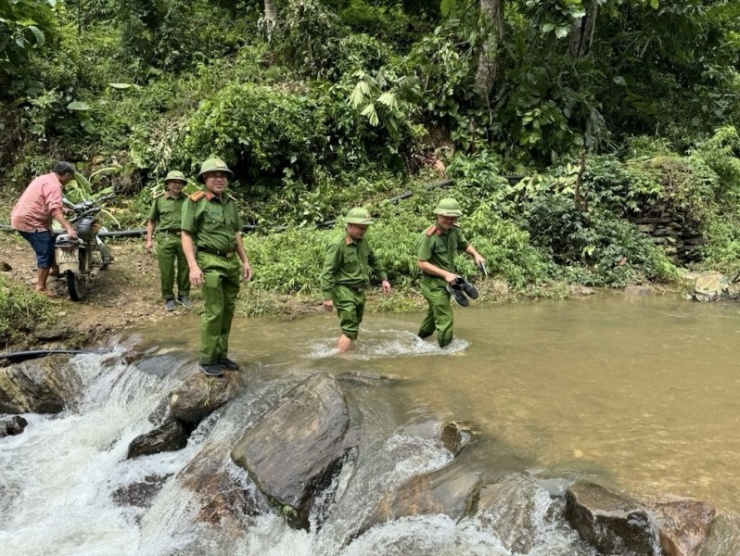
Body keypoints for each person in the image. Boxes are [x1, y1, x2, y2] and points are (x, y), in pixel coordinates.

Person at [181, 158, 252, 376]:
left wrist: (245, 260)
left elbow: (236, 233)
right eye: (214, 175)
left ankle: (221, 355)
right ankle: (208, 359)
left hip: (230, 263)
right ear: (205, 178)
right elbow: (186, 234)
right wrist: (193, 266)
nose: (219, 179)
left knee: (228, 311)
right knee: (214, 311)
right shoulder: (195, 202)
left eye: (223, 176)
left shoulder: (230, 203)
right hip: (210, 262)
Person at [320, 207, 392, 352]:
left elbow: (373, 259)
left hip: (358, 291)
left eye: (366, 228)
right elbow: (327, 272)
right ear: (350, 224)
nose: (363, 231)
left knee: (353, 326)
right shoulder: (337, 245)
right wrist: (327, 297)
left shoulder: (363, 241)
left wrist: (383, 278)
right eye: (361, 228)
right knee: (350, 329)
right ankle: (343, 361)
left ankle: (338, 350)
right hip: (343, 291)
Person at [416, 198, 485, 348]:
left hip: (448, 282)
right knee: (445, 316)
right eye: (446, 217)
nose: (449, 220)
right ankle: (445, 350)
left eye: (453, 217)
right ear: (438, 215)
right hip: (432, 285)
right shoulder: (428, 236)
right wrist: (445, 274)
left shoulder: (454, 231)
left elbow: (464, 244)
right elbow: (421, 263)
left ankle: (419, 339)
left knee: (434, 314)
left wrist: (475, 255)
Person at [10, 161, 79, 297]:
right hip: (31, 222)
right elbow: (54, 211)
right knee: (45, 251)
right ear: (65, 174)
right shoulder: (54, 186)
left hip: (21, 216)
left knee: (51, 240)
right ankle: (40, 287)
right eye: (70, 177)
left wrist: (63, 209)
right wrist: (69, 228)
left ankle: (55, 269)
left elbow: (44, 201)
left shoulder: (44, 178)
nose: (70, 180)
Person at [146, 170, 192, 311]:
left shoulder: (189, 200)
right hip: (165, 237)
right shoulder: (160, 200)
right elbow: (152, 221)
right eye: (174, 182)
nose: (177, 185)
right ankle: (168, 297)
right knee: (167, 269)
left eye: (180, 182)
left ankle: (183, 295)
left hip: (184, 237)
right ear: (168, 184)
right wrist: (149, 240)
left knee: (185, 267)